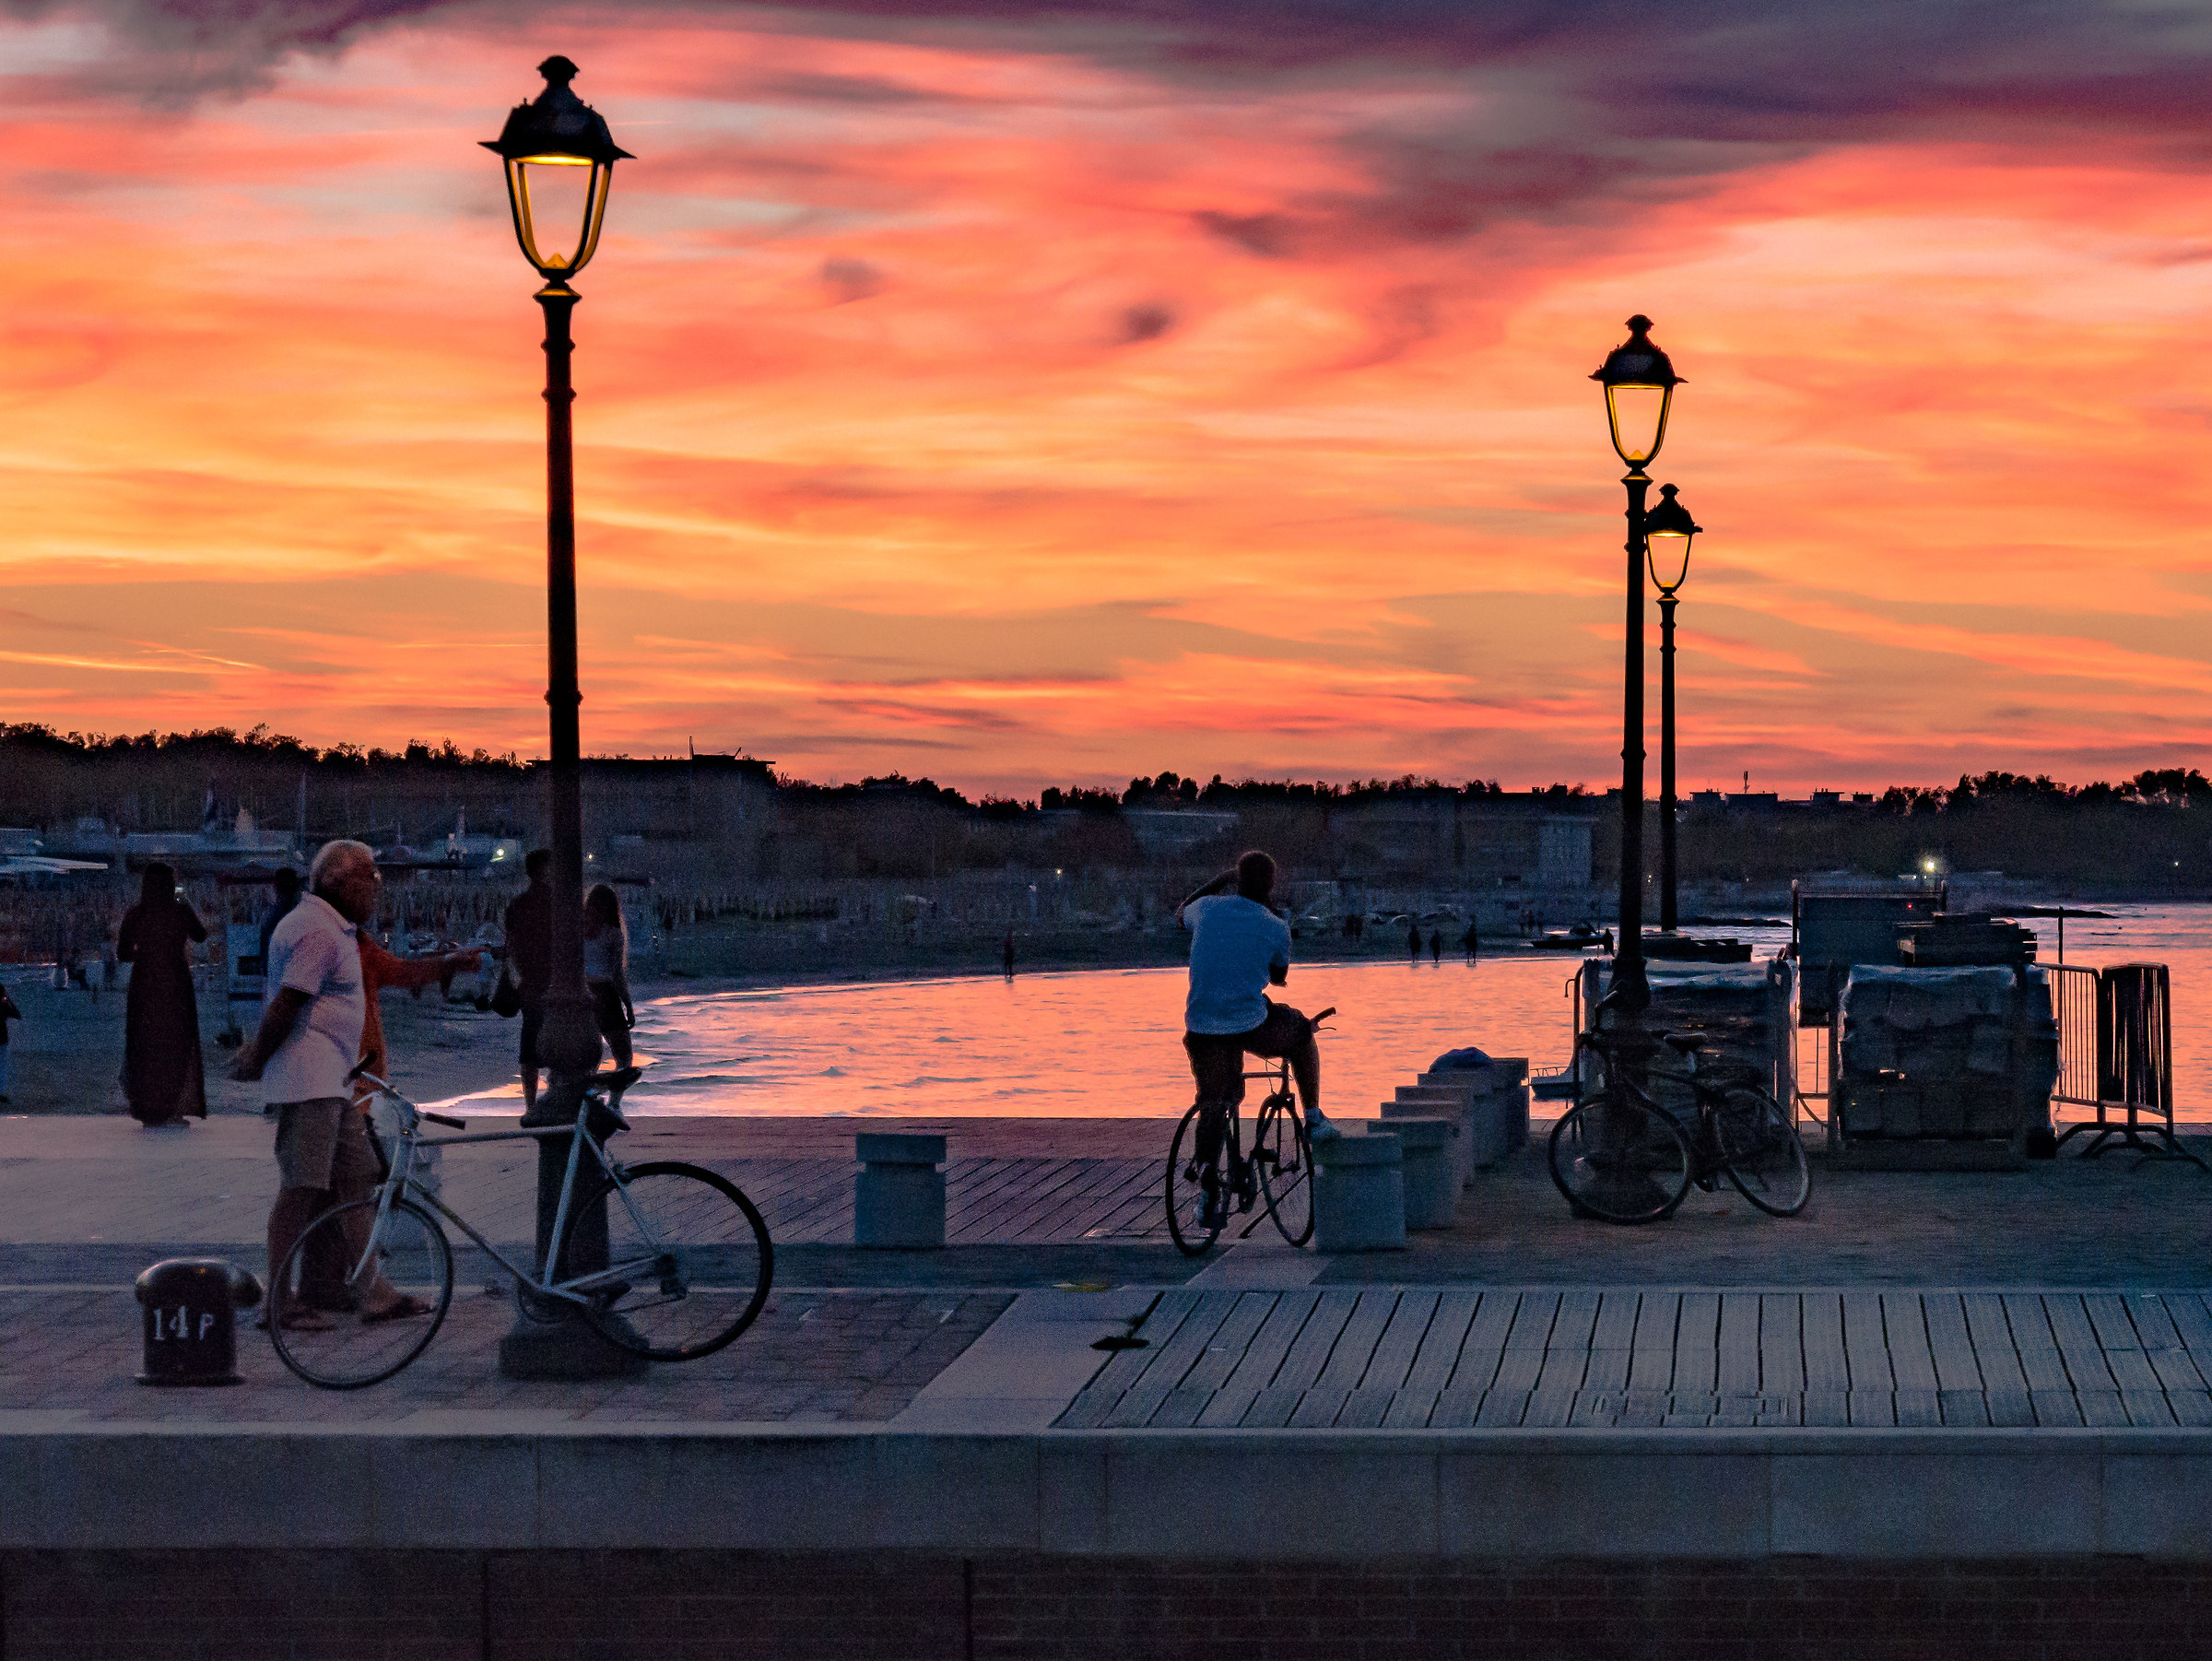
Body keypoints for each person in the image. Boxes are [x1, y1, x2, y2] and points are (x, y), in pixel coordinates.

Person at [232, 840, 424, 1330]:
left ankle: (371, 1290)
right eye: (369, 877)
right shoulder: (316, 930)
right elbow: (287, 1004)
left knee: (358, 1178)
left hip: (334, 1082)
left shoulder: (332, 928)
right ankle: (279, 1302)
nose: (376, 887)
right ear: (338, 882)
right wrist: (256, 1057)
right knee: (300, 1187)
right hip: (309, 1082)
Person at [1176, 850, 1336, 1234]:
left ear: (1236, 879)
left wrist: (1217, 881)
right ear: (1271, 886)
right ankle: (1314, 1117)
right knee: (1301, 1031)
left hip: (1201, 1025)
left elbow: (1181, 912)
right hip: (1250, 1024)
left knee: (1214, 1100)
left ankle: (1207, 1180)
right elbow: (1279, 976)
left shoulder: (1206, 908)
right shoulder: (1275, 925)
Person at [116, 863, 207, 1127]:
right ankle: (173, 1108)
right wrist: (184, 903)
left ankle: (149, 1108)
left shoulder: (136, 914)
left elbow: (122, 953)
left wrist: (144, 954)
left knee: (146, 1045)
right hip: (176, 985)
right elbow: (200, 935)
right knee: (176, 1044)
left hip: (144, 985)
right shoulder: (180, 912)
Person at [502, 850, 554, 1114]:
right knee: (556, 1040)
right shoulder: (556, 903)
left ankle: (531, 1105)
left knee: (530, 1040)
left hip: (529, 981)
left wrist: (521, 972)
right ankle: (553, 1097)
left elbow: (511, 945)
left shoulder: (518, 904)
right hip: (552, 979)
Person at [582, 882, 634, 1101]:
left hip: (583, 993)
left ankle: (587, 1099)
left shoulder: (577, 931)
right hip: (605, 994)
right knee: (623, 1055)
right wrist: (628, 1005)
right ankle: (614, 1104)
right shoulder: (613, 934)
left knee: (591, 1056)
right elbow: (616, 974)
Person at [258, 866, 301, 969]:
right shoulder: (303, 911)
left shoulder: (270, 914)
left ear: (275, 888)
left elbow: (264, 948)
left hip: (275, 968)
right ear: (296, 887)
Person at [0, 980, 18, 1102]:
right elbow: (15, 1012)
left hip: (2, 1037)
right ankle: (0, 1092)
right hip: (1, 1037)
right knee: (2, 1065)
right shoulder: (3, 1002)